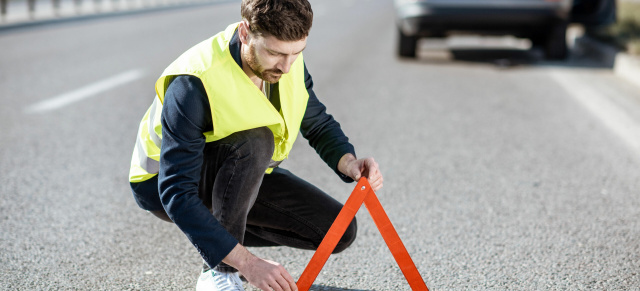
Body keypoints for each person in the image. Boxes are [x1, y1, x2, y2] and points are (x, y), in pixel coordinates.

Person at [128, 0, 383, 290]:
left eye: (296, 53)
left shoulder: (289, 64)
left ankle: (218, 239)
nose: (286, 66)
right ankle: (219, 271)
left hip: (237, 173)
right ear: (245, 33)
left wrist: (349, 161)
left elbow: (316, 121)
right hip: (162, 183)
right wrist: (247, 263)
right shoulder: (193, 82)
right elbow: (176, 191)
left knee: (339, 231)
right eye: (275, 53)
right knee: (256, 140)